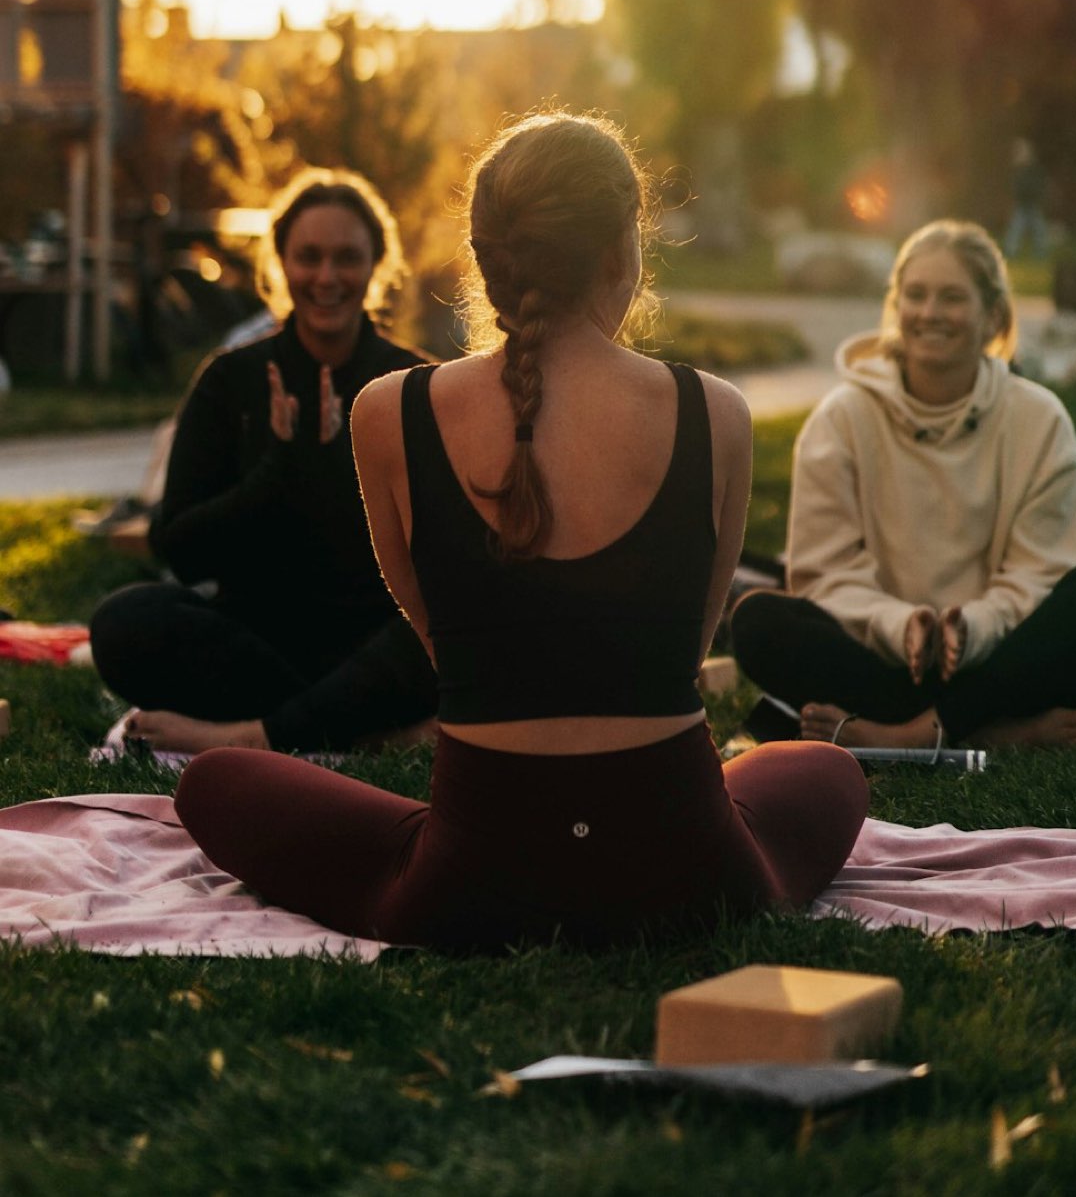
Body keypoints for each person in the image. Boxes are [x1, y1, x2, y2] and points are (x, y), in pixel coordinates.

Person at [172, 112, 867, 951]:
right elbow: (680, 655)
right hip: (690, 872)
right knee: (822, 767)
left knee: (215, 783)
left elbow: (443, 648)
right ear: (621, 253)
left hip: (471, 881)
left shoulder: (388, 412)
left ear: (485, 256)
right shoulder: (714, 412)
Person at [731, 220, 1076, 751]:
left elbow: (1043, 573)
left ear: (992, 316)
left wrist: (973, 627)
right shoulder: (841, 420)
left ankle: (914, 734)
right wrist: (901, 626)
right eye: (915, 295)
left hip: (1003, 657)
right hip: (883, 659)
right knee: (758, 620)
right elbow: (825, 574)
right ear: (896, 308)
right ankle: (992, 732)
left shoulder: (1039, 420)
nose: (930, 313)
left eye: (952, 297)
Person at [89, 168, 438, 754]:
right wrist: (278, 472)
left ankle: (260, 735)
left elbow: (437, 561)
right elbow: (177, 544)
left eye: (346, 258)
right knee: (122, 623)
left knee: (448, 633)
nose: (327, 277)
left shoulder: (415, 385)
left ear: (377, 265)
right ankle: (357, 727)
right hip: (257, 641)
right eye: (309, 257)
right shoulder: (230, 382)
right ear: (281, 263)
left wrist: (334, 469)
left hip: (370, 639)